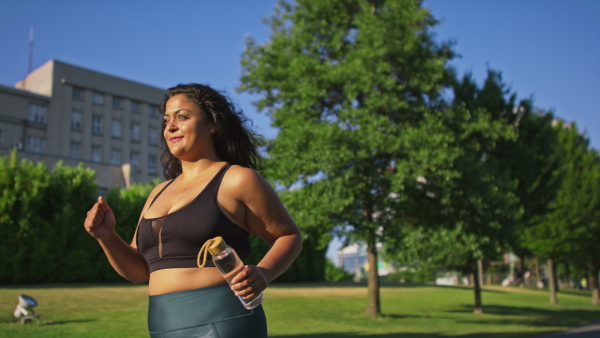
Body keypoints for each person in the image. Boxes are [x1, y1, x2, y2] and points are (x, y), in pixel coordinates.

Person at [84, 83, 302, 337]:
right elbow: (139, 271)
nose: (170, 126)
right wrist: (106, 236)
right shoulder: (158, 192)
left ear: (212, 125)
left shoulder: (237, 180)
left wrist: (263, 273)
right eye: (166, 120)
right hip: (163, 324)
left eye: (182, 117)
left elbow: (288, 236)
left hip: (222, 319)